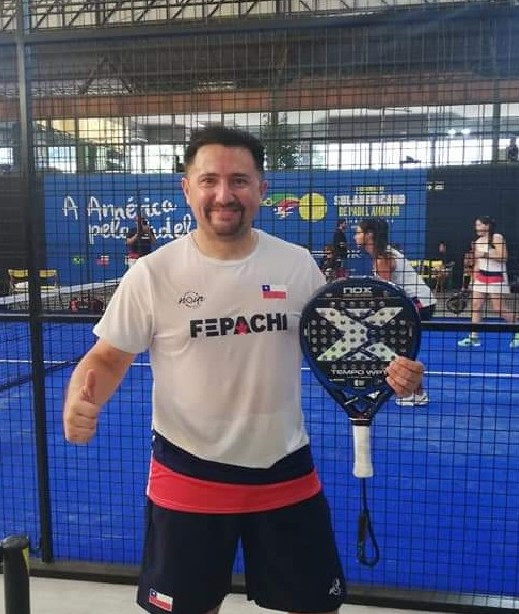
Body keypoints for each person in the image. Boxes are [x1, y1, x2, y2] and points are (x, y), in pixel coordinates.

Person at [63, 126, 425, 614]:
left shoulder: (297, 266)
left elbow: (347, 348)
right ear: (187, 188)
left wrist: (396, 375)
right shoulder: (152, 274)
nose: (224, 194)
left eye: (239, 180)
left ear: (261, 189)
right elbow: (107, 357)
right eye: (209, 180)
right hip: (187, 472)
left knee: (315, 606)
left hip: (284, 468)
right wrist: (79, 399)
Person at [355, 217, 436, 407]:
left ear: (369, 235)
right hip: (413, 302)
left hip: (419, 303)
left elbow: (386, 295)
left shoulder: (383, 258)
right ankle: (389, 387)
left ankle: (412, 392)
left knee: (394, 345)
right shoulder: (381, 255)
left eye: (358, 232)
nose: (355, 236)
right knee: (389, 344)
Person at [458, 216, 519, 348]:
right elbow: (477, 263)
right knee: (476, 305)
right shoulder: (477, 242)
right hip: (481, 277)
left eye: (479, 225)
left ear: (487, 226)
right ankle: (474, 337)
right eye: (476, 225)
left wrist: (484, 254)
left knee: (499, 308)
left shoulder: (497, 237)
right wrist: (472, 281)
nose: (476, 228)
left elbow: (503, 257)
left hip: (496, 277)